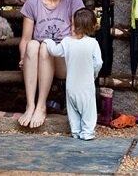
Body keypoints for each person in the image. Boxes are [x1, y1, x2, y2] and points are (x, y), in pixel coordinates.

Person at [18, 0, 84, 128]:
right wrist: (22, 58)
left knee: (46, 46)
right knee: (32, 45)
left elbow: (75, 37)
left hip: (63, 60)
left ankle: (41, 106)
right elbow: (26, 38)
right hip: (38, 59)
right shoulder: (33, 2)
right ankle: (30, 105)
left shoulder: (74, 1)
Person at [44, 8, 103, 140]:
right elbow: (98, 63)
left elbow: (55, 51)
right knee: (89, 110)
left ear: (75, 25)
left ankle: (76, 131)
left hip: (71, 86)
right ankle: (87, 132)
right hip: (86, 86)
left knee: (73, 111)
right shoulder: (93, 43)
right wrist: (94, 73)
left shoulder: (67, 42)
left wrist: (48, 42)